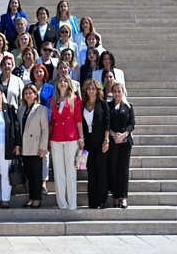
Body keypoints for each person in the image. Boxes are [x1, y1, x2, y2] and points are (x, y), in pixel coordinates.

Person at [48, 73, 84, 210]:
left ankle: (72, 203)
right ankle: (62, 203)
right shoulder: (53, 100)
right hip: (56, 138)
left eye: (65, 81)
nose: (62, 83)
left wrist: (81, 137)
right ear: (57, 84)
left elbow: (79, 119)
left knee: (70, 171)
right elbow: (51, 121)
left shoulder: (75, 99)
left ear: (69, 84)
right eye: (60, 81)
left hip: (71, 137)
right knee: (58, 172)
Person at [79, 78, 112, 209]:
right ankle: (92, 201)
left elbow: (107, 122)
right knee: (91, 172)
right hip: (88, 143)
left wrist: (106, 139)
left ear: (97, 90)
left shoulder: (102, 104)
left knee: (101, 171)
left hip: (100, 142)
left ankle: (102, 201)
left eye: (93, 88)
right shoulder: (83, 105)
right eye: (89, 88)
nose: (91, 91)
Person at [105, 73, 136, 209]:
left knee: (123, 170)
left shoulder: (128, 106)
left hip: (125, 142)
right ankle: (115, 196)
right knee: (113, 169)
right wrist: (112, 134)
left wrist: (123, 134)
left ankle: (123, 197)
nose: (117, 93)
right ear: (112, 92)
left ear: (123, 92)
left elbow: (132, 123)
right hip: (112, 141)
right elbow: (106, 122)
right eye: (115, 91)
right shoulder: (108, 106)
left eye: (119, 91)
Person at [18, 83, 49, 208]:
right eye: (26, 93)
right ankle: (31, 196)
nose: (28, 95)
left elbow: (45, 130)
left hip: (36, 146)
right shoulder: (21, 109)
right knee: (29, 174)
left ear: (36, 94)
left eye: (30, 93)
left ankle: (37, 198)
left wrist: (43, 147)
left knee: (36, 173)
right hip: (25, 146)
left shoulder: (41, 109)